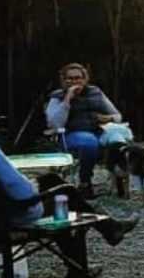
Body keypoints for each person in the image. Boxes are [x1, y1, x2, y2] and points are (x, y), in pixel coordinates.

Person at [0, 90, 136, 278]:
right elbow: (23, 194)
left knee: (53, 183)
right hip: (2, 224)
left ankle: (107, 230)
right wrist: (32, 184)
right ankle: (88, 255)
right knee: (64, 195)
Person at [45, 63, 121, 197]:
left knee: (120, 140)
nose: (74, 81)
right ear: (63, 80)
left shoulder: (95, 92)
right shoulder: (57, 97)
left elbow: (117, 116)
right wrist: (67, 99)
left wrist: (108, 118)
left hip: (99, 131)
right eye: (70, 78)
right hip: (71, 135)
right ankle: (85, 182)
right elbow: (54, 124)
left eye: (78, 78)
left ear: (85, 79)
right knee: (88, 142)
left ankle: (120, 181)